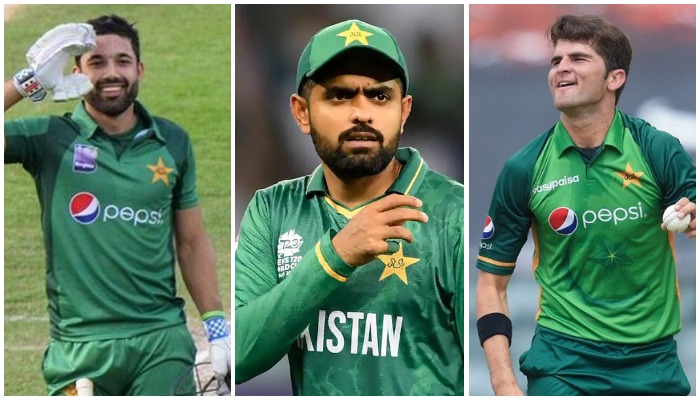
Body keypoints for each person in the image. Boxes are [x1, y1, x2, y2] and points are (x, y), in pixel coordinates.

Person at [235, 19, 464, 395]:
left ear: (404, 111)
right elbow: (242, 354)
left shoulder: (453, 211)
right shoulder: (272, 209)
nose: (362, 113)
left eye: (379, 96)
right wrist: (334, 256)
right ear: (302, 112)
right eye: (339, 96)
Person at [4, 15, 230, 395]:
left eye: (122, 61)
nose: (111, 73)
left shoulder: (172, 141)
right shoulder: (48, 138)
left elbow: (191, 241)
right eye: (96, 62)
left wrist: (217, 327)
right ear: (74, 72)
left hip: (160, 341)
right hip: (78, 351)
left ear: (139, 69)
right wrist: (27, 84)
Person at [476, 14, 696, 396]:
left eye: (578, 59)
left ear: (615, 78)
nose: (561, 68)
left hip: (653, 363)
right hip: (562, 364)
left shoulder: (658, 149)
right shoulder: (523, 168)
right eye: (556, 61)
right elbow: (491, 284)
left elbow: (695, 208)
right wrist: (504, 384)